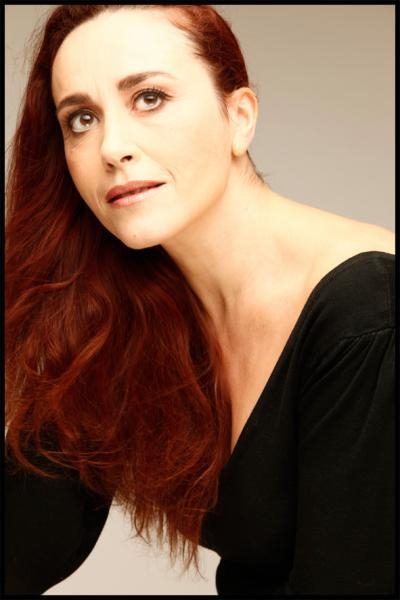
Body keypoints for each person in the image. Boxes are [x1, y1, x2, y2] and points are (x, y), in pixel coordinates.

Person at [4, 4, 395, 597]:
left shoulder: (369, 314)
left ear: (239, 117)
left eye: (150, 98)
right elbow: (20, 545)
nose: (112, 147)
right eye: (81, 119)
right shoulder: (125, 305)